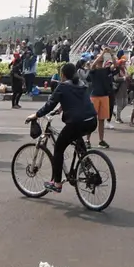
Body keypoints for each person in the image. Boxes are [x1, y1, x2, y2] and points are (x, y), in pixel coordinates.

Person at [27, 63, 99, 193]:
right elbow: (79, 100)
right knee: (76, 136)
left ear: (63, 75)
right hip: (92, 120)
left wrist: (36, 115)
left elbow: (49, 105)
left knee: (59, 148)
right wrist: (61, 108)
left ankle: (57, 183)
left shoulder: (63, 86)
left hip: (77, 122)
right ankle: (86, 163)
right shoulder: (81, 84)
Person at [87, 52, 116, 141]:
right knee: (92, 119)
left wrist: (111, 54)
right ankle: (88, 140)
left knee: (102, 120)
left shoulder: (106, 70)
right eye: (99, 57)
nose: (101, 58)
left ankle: (101, 140)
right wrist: (102, 52)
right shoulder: (93, 71)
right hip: (95, 96)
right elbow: (92, 65)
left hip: (104, 96)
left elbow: (115, 65)